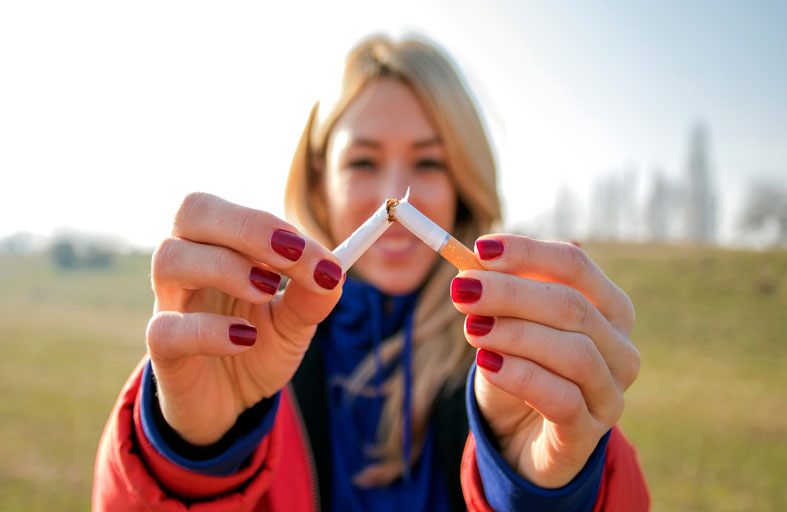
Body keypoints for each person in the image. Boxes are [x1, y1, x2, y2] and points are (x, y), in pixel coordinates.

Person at [93, 34, 649, 511]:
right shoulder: (243, 346)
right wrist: (189, 451)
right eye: (363, 161)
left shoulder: (523, 364)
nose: (394, 196)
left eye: (429, 162)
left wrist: (546, 486)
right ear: (318, 182)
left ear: (464, 185)